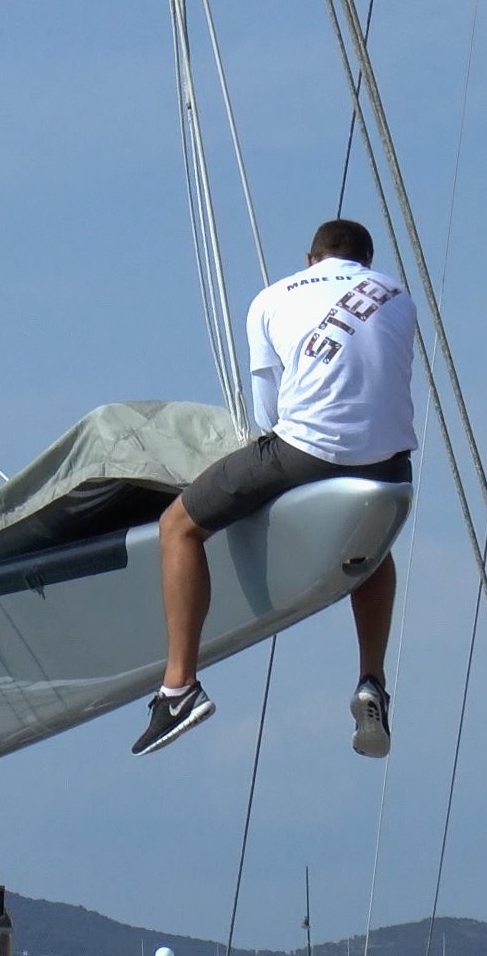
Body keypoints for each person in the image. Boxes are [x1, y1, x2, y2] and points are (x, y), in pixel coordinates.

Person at [131, 219, 417, 758]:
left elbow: (268, 414)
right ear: (367, 263)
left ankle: (178, 688)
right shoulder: (399, 295)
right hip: (391, 469)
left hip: (307, 453)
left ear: (311, 260)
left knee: (179, 527)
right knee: (373, 545)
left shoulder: (271, 298)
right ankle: (371, 682)